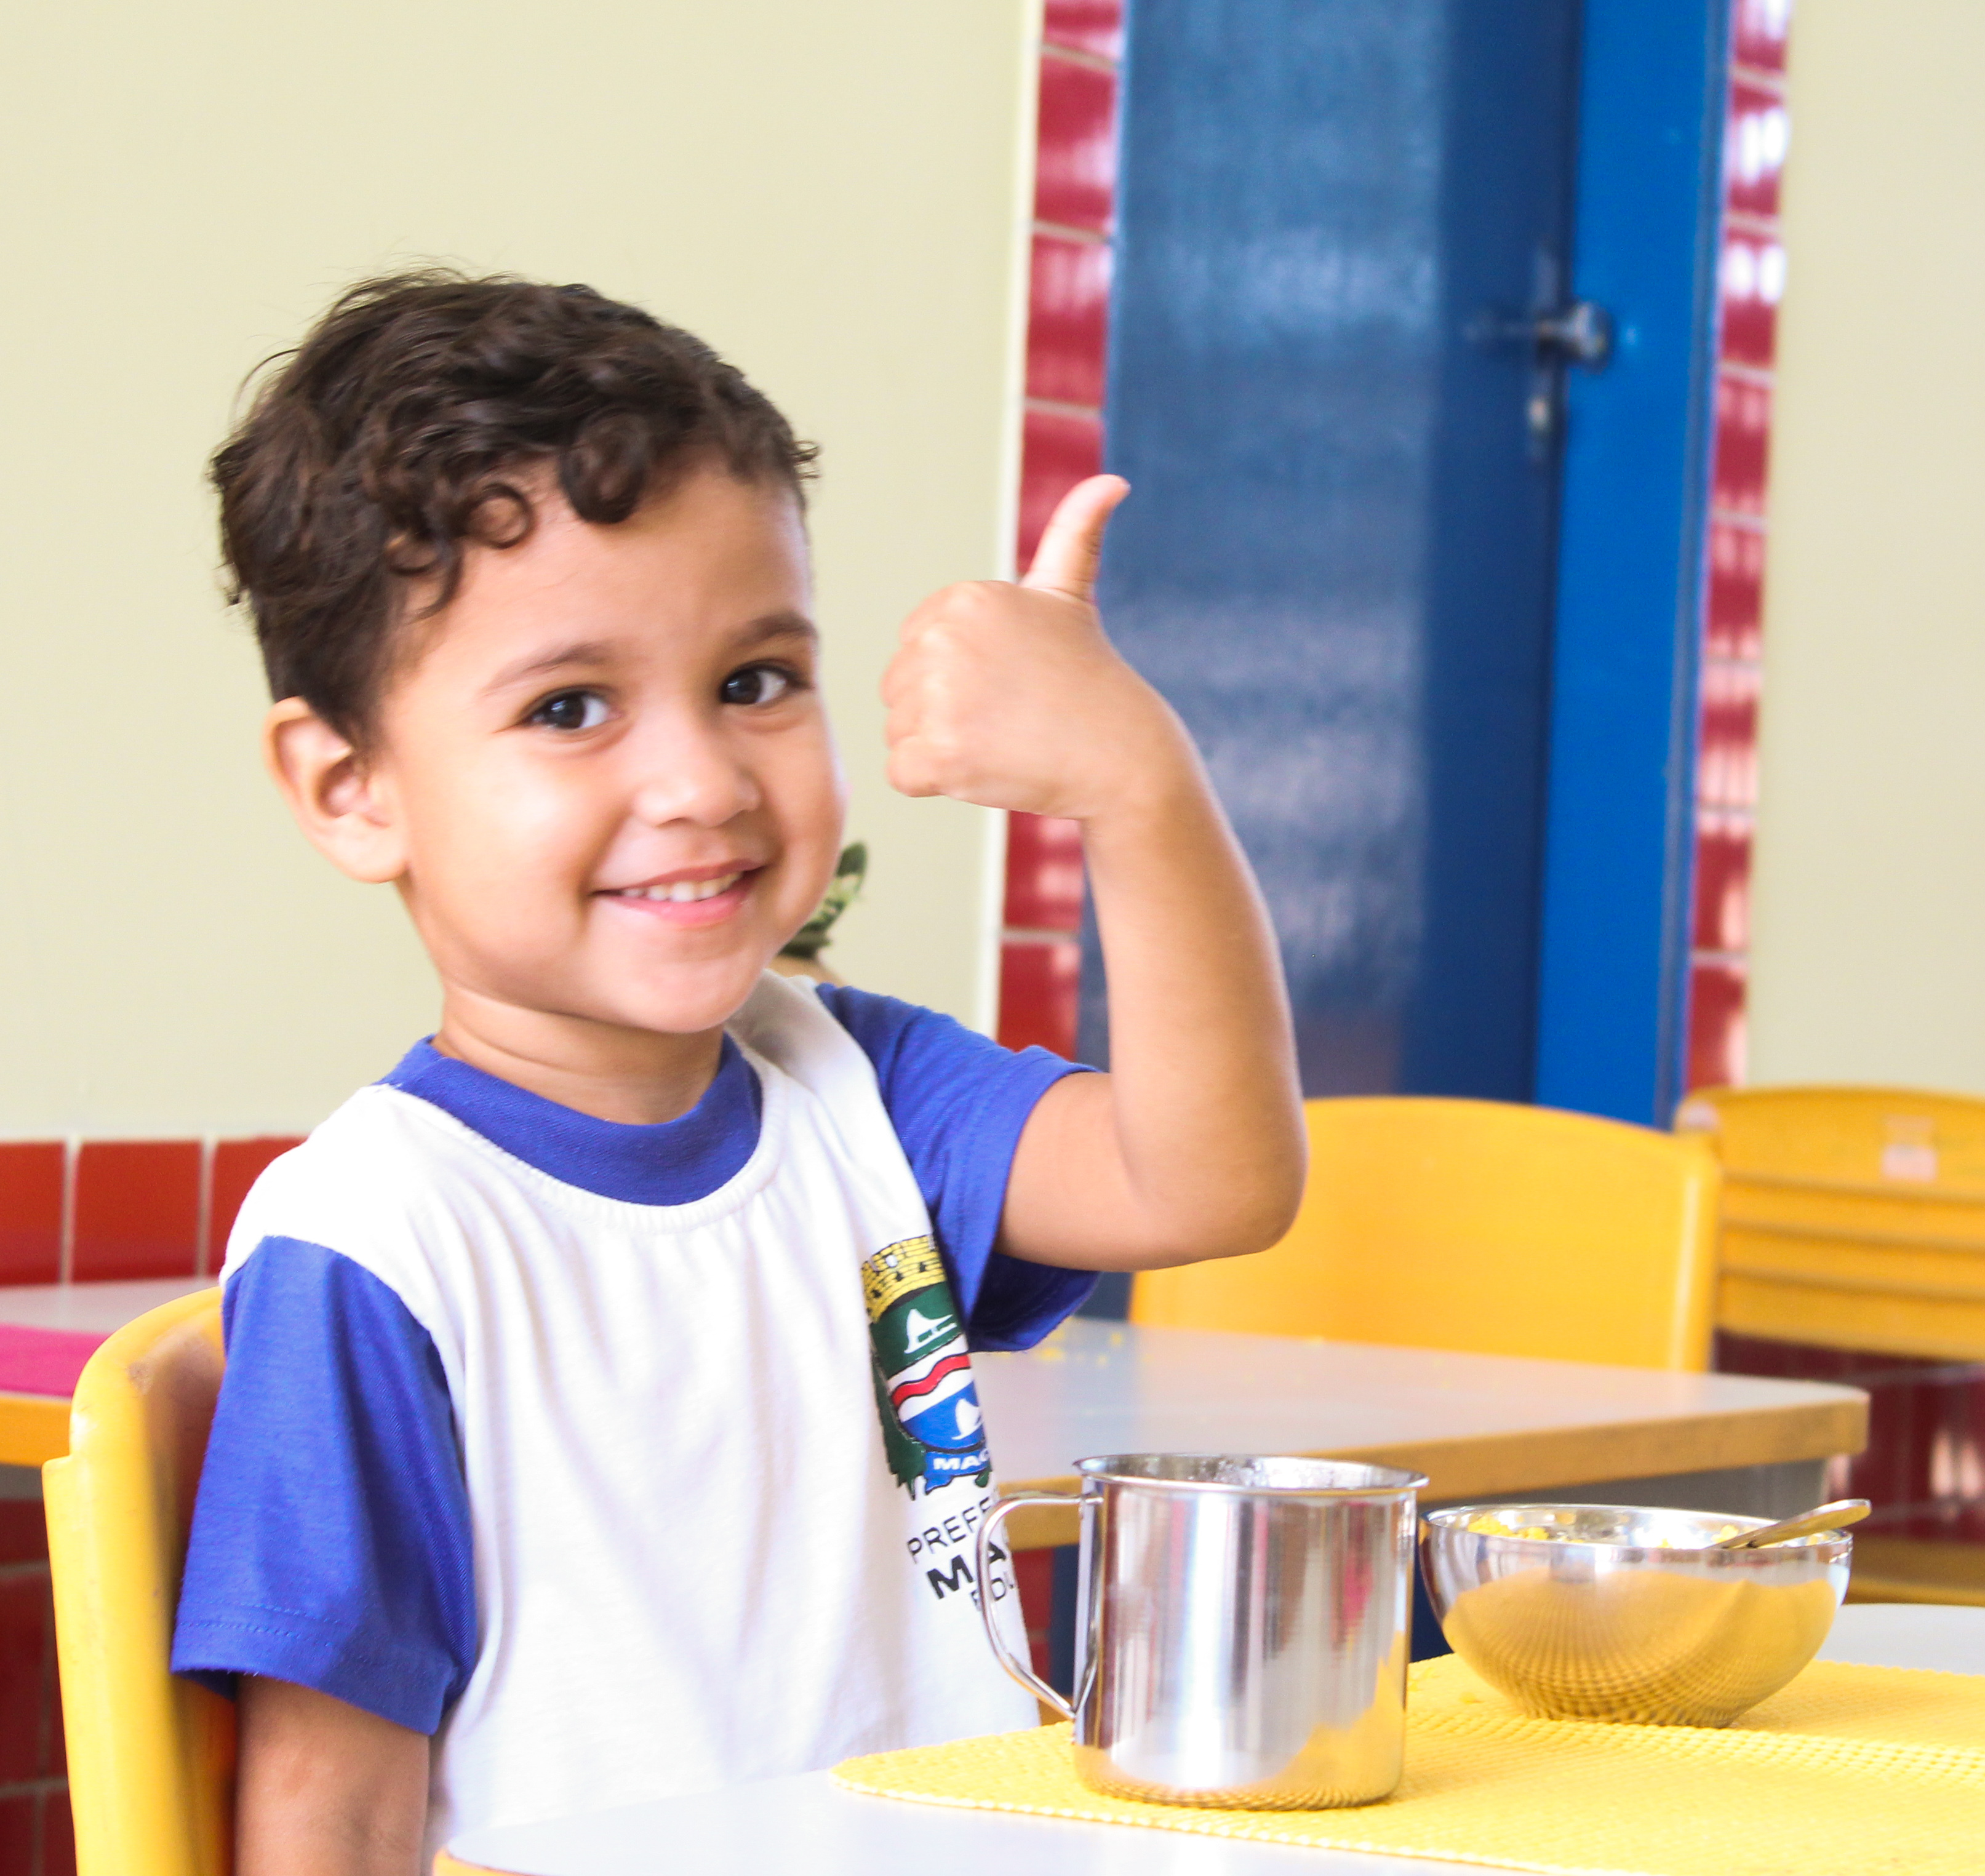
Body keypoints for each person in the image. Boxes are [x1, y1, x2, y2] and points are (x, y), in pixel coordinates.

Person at [167, 272, 1304, 1873]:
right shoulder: (377, 1244)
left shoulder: (860, 1082)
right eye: (571, 707)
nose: (700, 779)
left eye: (756, 680)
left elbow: (1215, 1179)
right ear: (352, 789)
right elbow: (330, 1803)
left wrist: (1135, 780)